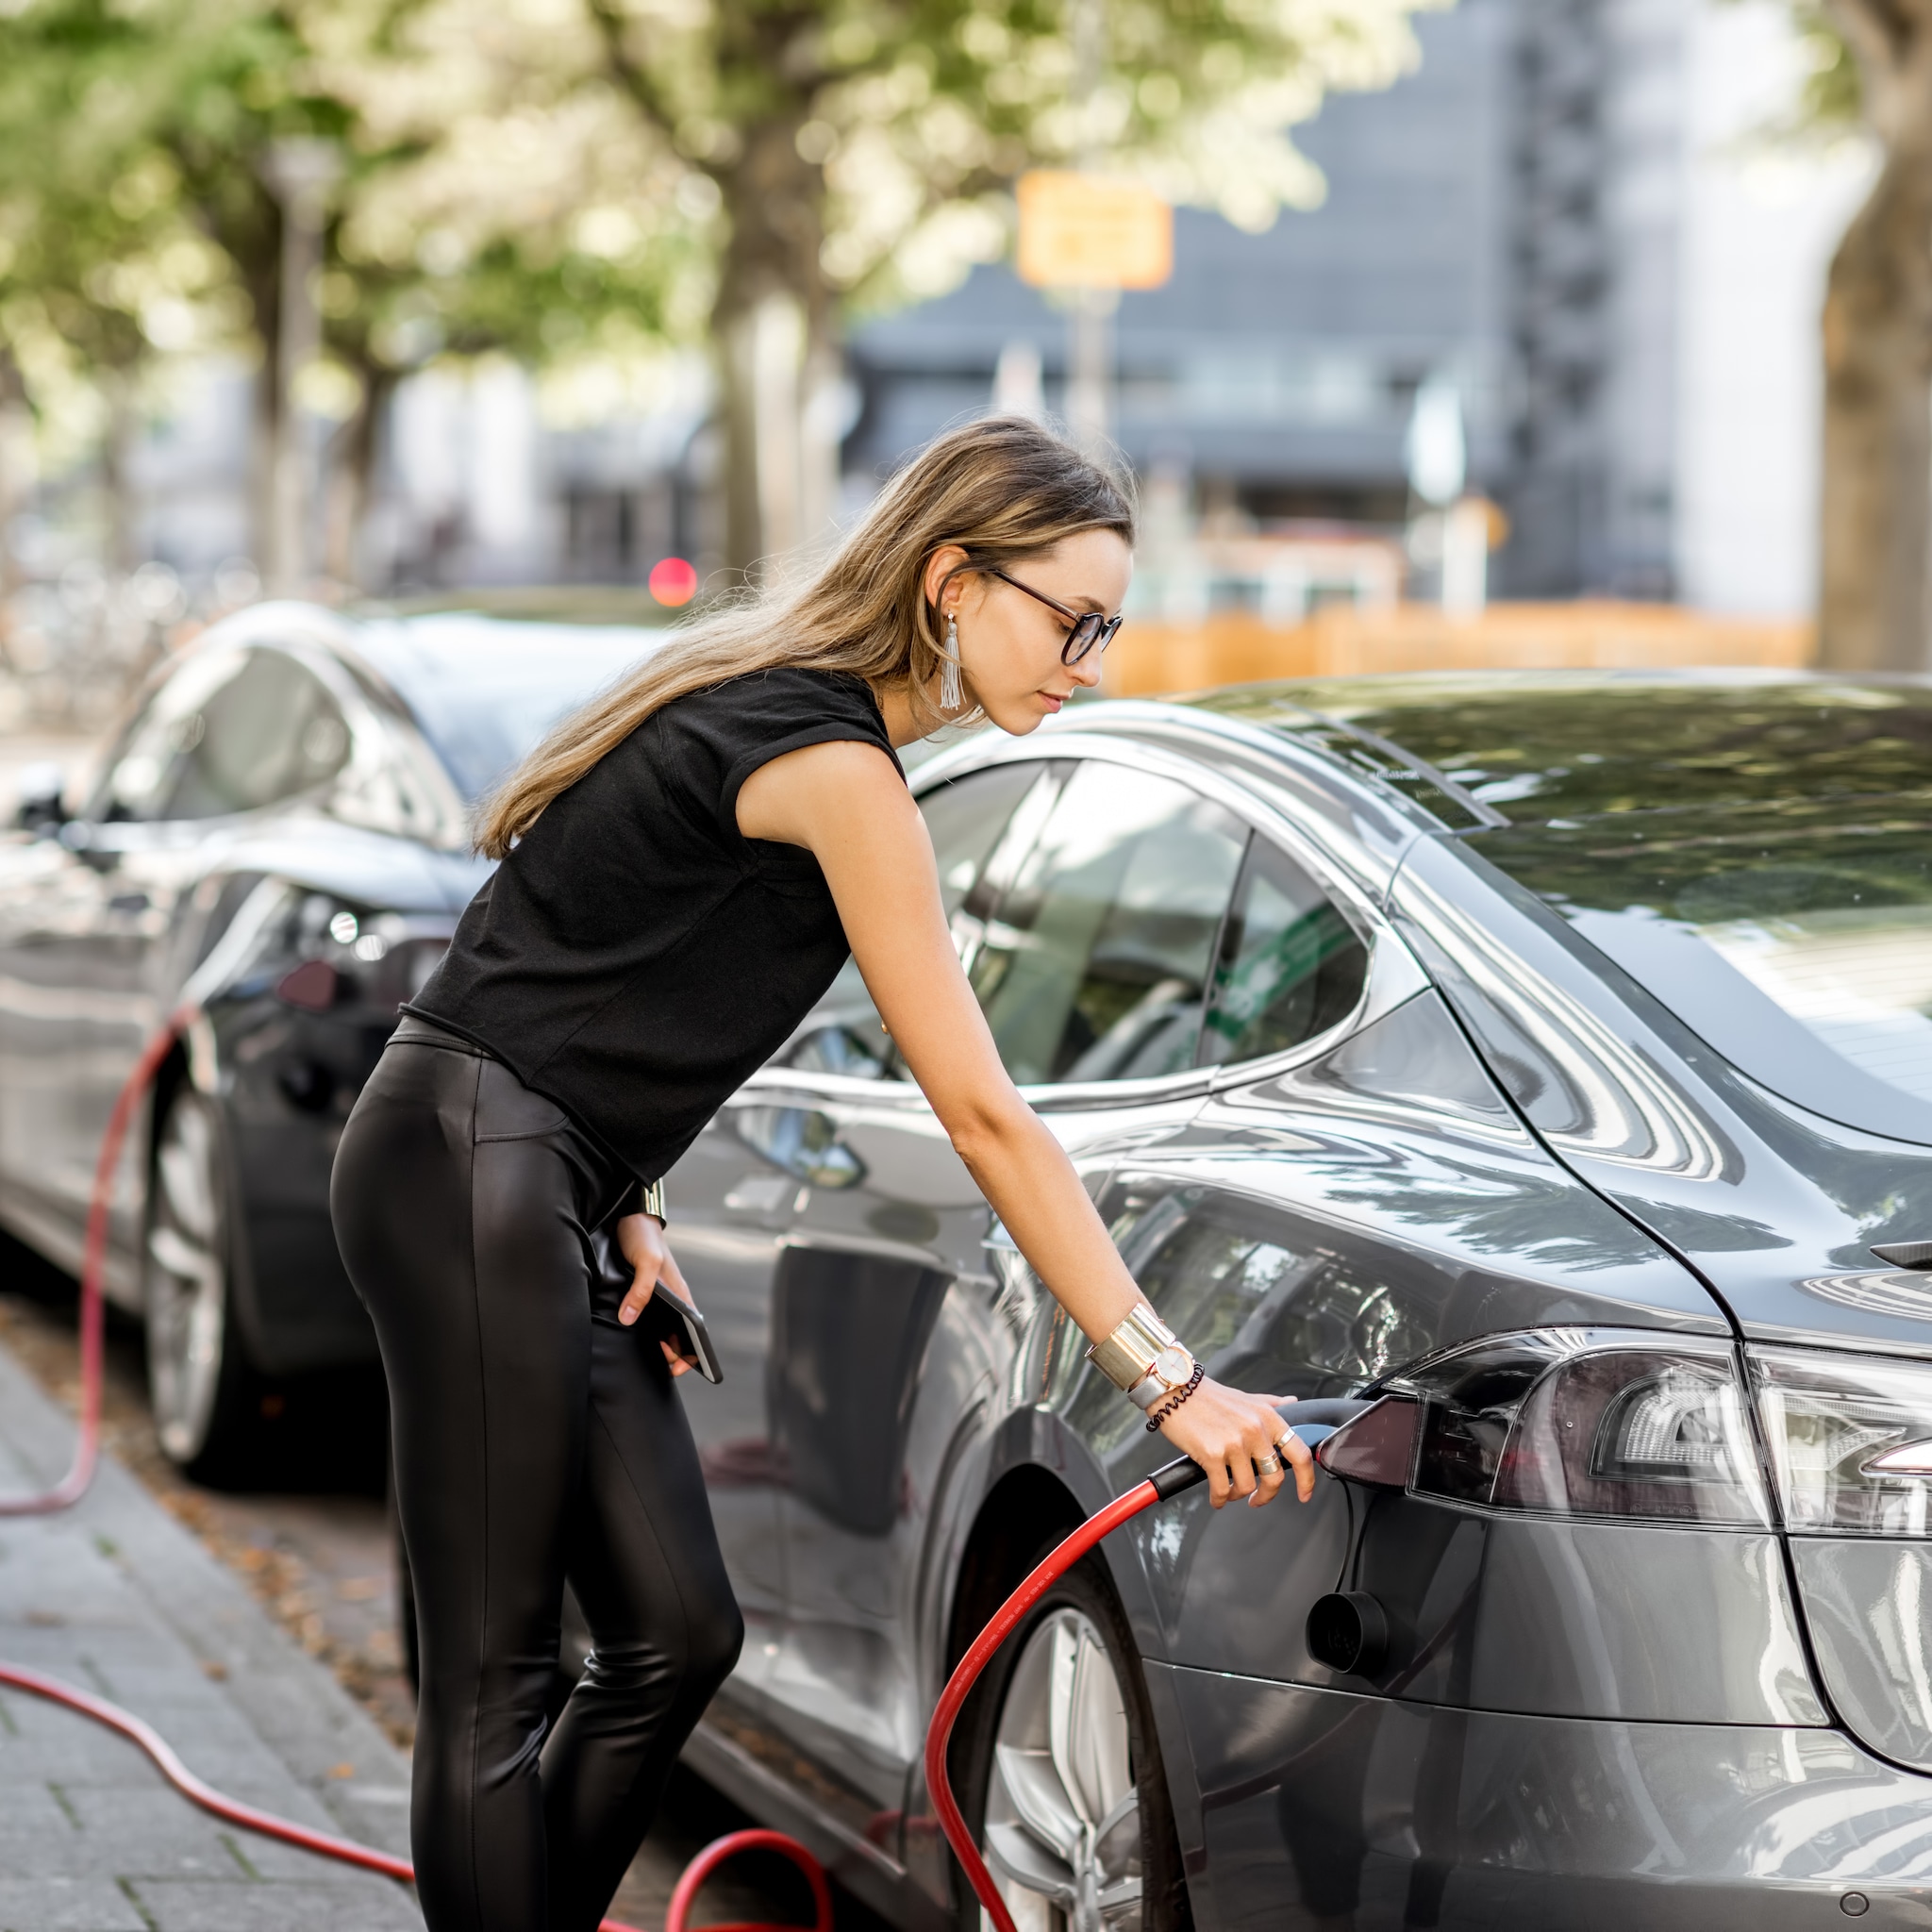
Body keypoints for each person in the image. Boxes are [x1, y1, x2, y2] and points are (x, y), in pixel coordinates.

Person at [329, 415, 1315, 1932]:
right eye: (1071, 620)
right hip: (470, 1164)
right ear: (952, 582)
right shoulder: (830, 759)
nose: (1088, 662)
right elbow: (984, 1116)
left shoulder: (794, 721)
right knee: (498, 1676)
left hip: (536, 1175)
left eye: (1106, 631)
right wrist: (1170, 1381)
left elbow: (599, 946)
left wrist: (630, 1193)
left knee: (676, 1634)